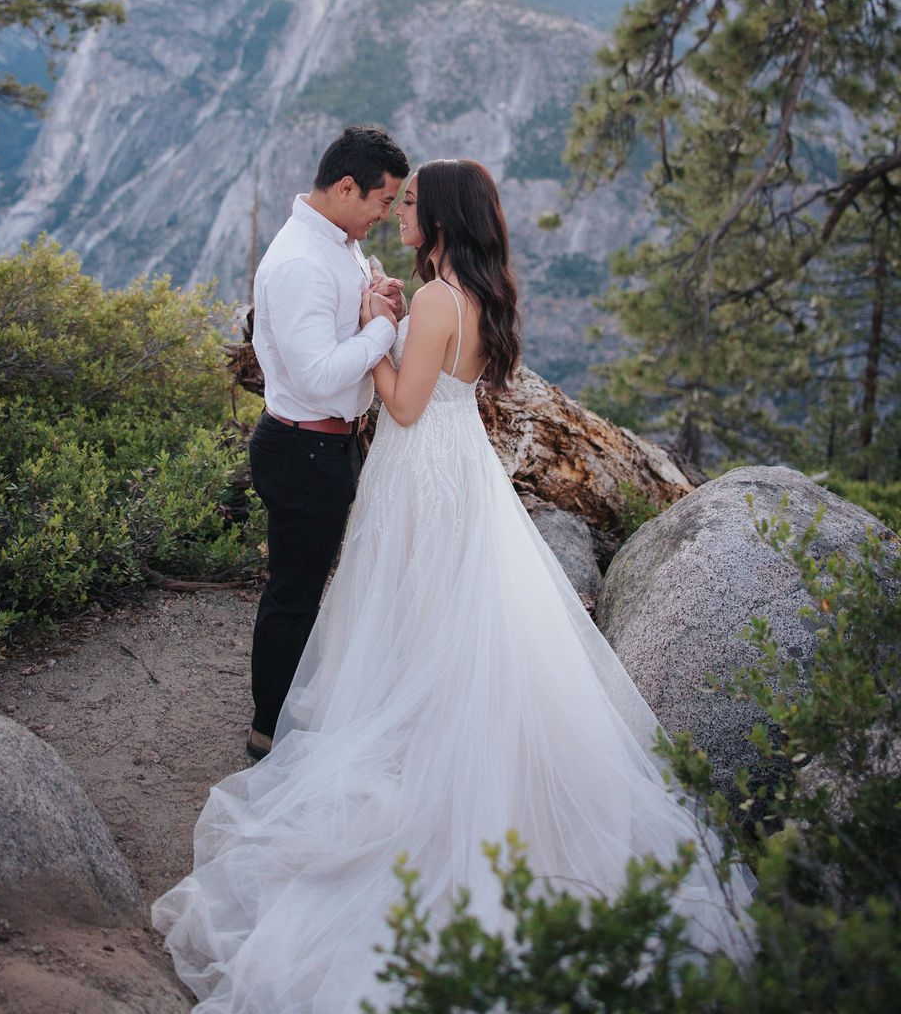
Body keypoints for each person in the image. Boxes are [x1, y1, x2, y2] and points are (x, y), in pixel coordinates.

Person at [153, 159, 753, 1014]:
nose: (400, 212)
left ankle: (408, 759)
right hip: (459, 467)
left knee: (406, 612)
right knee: (448, 618)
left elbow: (398, 404)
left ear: (440, 216)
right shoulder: (471, 292)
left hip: (418, 466)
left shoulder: (435, 300)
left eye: (412, 204)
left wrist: (372, 326)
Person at [245, 125, 409, 761]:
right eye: (380, 201)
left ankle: (288, 709)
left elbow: (345, 321)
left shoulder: (339, 244)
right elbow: (316, 376)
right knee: (294, 593)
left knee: (307, 585)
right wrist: (381, 329)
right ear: (347, 187)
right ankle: (267, 730)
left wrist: (375, 299)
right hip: (300, 449)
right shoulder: (298, 263)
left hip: (325, 446)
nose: (384, 215)